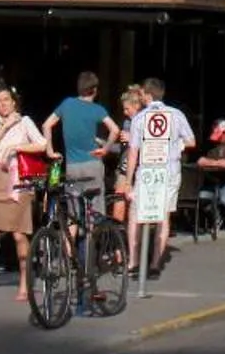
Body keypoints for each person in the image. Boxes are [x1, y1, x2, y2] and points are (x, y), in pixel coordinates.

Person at [0, 86, 49, 308]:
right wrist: (4, 127)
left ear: (15, 102)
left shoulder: (25, 121)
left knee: (18, 234)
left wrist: (17, 146)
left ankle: (25, 281)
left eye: (7, 100)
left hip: (19, 178)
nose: (3, 104)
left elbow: (42, 144)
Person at [128, 76, 196, 273]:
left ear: (147, 95)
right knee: (163, 216)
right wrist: (175, 146)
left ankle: (133, 260)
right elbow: (191, 141)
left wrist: (128, 180)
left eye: (141, 93)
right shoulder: (176, 115)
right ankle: (155, 262)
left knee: (135, 216)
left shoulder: (139, 118)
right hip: (170, 170)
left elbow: (134, 151)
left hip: (146, 171)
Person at [41, 70, 120, 224]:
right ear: (95, 90)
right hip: (93, 164)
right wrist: (105, 149)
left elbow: (46, 125)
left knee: (74, 215)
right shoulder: (98, 109)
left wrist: (50, 151)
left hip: (73, 167)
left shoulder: (67, 104)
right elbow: (115, 130)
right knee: (95, 212)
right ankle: (92, 244)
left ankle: (70, 248)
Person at [107, 84, 146, 225]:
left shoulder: (146, 121)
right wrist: (106, 146)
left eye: (127, 108)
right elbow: (123, 149)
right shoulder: (127, 123)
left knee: (135, 206)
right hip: (124, 168)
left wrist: (134, 139)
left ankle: (132, 237)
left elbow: (152, 146)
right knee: (119, 200)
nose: (124, 112)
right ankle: (118, 237)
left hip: (140, 169)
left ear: (136, 106)